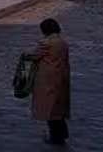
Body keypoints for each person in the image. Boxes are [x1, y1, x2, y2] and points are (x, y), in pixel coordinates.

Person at [24, 18, 71, 146]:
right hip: (61, 79)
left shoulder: (46, 43)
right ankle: (62, 134)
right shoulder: (63, 43)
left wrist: (25, 54)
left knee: (50, 110)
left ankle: (55, 137)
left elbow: (34, 56)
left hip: (47, 80)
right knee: (58, 109)